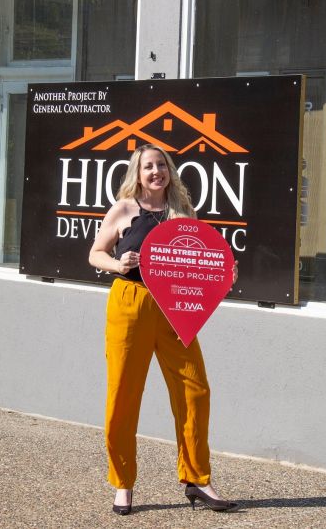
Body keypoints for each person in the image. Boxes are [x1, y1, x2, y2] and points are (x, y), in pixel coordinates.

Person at [88, 144, 238, 515]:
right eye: (148, 167)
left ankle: (197, 479)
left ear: (169, 171)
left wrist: (222, 274)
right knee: (123, 396)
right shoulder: (123, 210)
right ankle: (122, 484)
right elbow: (95, 253)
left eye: (161, 165)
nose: (155, 172)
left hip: (174, 309)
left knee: (195, 391)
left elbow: (199, 260)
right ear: (137, 174)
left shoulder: (182, 213)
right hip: (131, 302)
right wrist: (118, 263)